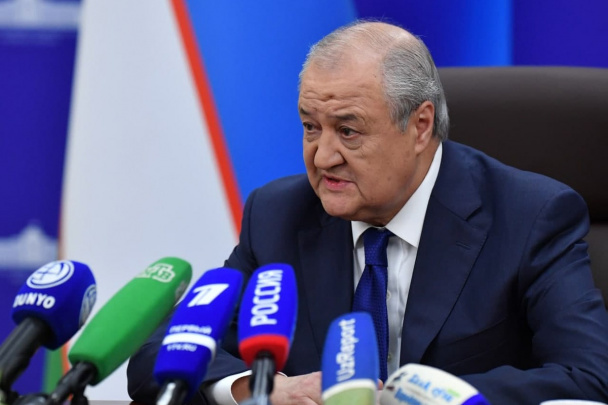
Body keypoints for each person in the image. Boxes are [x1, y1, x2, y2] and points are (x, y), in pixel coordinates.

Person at [127, 21, 608, 405]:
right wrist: (259, 389)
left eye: (348, 131)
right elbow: (160, 356)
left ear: (420, 126)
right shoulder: (278, 215)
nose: (322, 157)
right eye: (311, 127)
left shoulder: (530, 216)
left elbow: (589, 376)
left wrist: (417, 399)